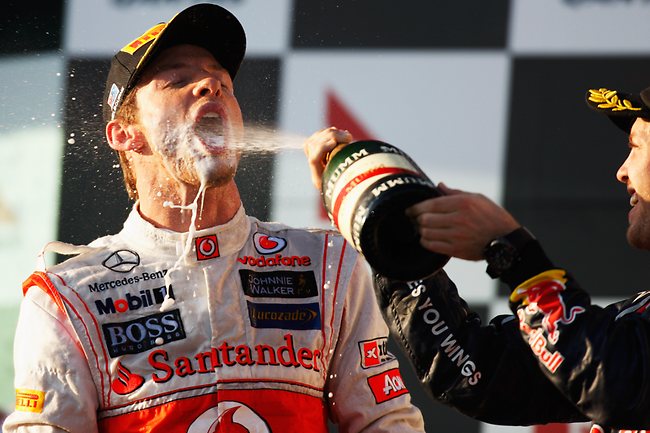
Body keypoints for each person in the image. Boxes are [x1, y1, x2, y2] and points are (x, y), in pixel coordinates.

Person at [3, 4, 426, 432]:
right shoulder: (69, 299)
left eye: (222, 81)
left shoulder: (328, 264)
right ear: (125, 134)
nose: (210, 85)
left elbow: (385, 421)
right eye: (178, 80)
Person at [303, 87, 650, 433]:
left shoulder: (621, 360)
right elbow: (476, 373)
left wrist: (512, 253)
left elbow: (610, 384)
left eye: (636, 146)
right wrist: (391, 231)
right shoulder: (637, 322)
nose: (622, 171)